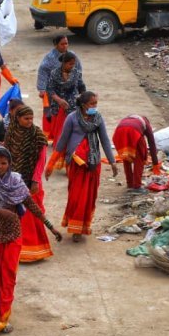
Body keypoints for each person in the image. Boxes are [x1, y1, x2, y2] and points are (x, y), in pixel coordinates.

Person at [0, 146, 61, 334]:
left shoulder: (17, 183)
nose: (0, 167)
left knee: (8, 277)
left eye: (4, 163)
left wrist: (51, 227)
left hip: (13, 235)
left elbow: (32, 205)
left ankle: (2, 318)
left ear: (10, 163)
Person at [51, 91, 116, 242]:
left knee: (88, 197)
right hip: (76, 163)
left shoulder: (98, 118)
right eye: (92, 104)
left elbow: (105, 140)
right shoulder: (72, 118)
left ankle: (81, 228)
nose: (95, 107)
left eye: (96, 104)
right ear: (83, 105)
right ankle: (74, 226)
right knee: (76, 196)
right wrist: (51, 163)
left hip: (93, 164)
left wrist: (112, 161)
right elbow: (62, 140)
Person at [4, 106, 54, 262]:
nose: (30, 122)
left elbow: (41, 160)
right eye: (26, 119)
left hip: (31, 182)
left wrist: (35, 180)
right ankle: (16, 248)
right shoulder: (11, 133)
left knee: (30, 215)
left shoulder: (38, 135)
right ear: (17, 118)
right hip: (13, 181)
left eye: (31, 118)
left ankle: (33, 249)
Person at [44, 52, 86, 170]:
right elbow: (50, 90)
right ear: (63, 63)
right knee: (62, 135)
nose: (72, 66)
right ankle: (59, 161)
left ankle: (70, 163)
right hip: (60, 108)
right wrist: (59, 100)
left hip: (73, 107)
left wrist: (83, 97)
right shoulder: (54, 73)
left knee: (73, 135)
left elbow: (82, 86)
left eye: (73, 64)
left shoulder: (76, 73)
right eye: (70, 64)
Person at [36, 35, 81, 133]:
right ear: (56, 45)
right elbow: (42, 72)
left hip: (70, 92)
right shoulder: (50, 58)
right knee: (52, 114)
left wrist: (80, 89)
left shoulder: (72, 56)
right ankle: (50, 135)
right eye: (62, 44)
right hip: (54, 92)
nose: (65, 46)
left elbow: (79, 72)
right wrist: (42, 89)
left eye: (66, 43)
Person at [113, 115, 160, 193]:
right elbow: (151, 143)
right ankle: (137, 186)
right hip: (134, 132)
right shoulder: (147, 125)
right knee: (139, 158)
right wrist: (155, 163)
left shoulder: (132, 118)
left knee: (126, 156)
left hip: (119, 132)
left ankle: (130, 184)